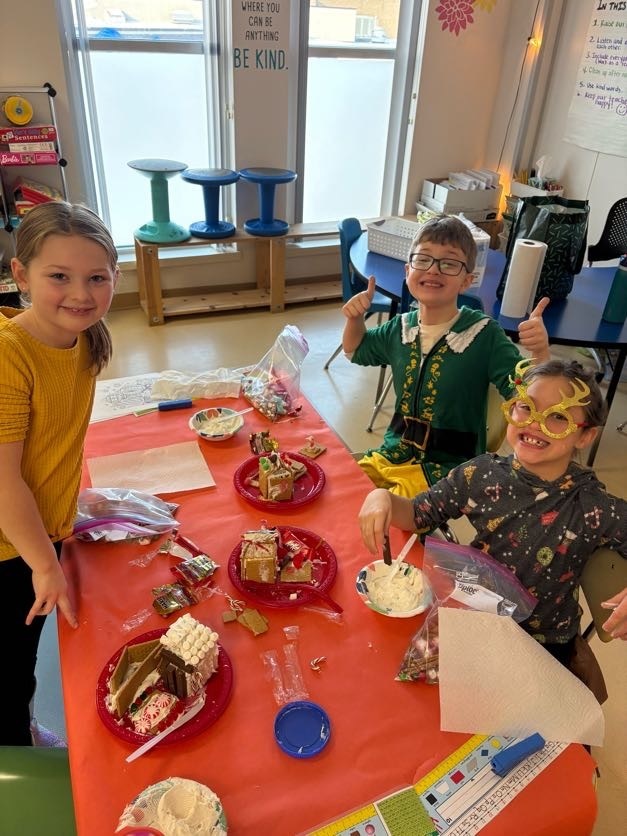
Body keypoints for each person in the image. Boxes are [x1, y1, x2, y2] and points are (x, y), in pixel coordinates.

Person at [358, 359, 627, 670]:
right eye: (526, 406)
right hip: (475, 615)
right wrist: (383, 498)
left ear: (585, 436)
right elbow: (419, 514)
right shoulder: (480, 474)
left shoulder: (592, 506)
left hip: (542, 646)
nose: (535, 423)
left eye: (557, 416)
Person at [0, 201, 118, 745]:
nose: (81, 294)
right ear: (21, 275)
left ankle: (20, 724)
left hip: (42, 529)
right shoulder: (9, 355)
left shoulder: (87, 338)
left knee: (23, 656)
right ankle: (14, 752)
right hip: (11, 543)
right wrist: (45, 563)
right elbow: (4, 481)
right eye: (59, 277)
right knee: (10, 668)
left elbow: (56, 438)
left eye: (97, 278)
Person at [342, 214, 551, 497]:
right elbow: (355, 350)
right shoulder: (400, 328)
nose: (433, 270)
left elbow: (528, 397)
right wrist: (355, 320)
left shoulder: (484, 334)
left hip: (451, 468)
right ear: (408, 270)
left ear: (467, 281)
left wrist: (540, 352)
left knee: (385, 511)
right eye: (423, 259)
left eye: (449, 263)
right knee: (343, 490)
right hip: (394, 453)